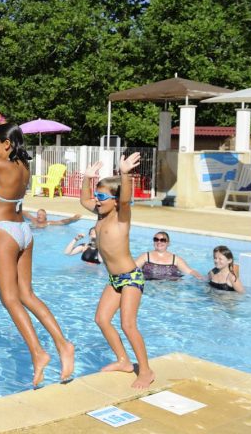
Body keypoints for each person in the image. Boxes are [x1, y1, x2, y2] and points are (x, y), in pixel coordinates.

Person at [0, 88, 74, 388]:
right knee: (27, 295)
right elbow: (15, 134)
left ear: (7, 145)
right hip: (24, 232)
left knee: (9, 299)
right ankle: (63, 344)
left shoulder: (4, 166)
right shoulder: (24, 165)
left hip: (4, 234)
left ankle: (38, 353)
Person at [80, 154, 156, 389]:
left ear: (114, 199)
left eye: (102, 196)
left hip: (131, 277)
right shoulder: (100, 214)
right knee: (101, 319)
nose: (97, 199)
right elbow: (84, 200)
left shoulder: (122, 217)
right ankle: (123, 360)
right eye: (98, 195)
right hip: (114, 279)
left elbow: (125, 200)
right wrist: (87, 178)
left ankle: (145, 370)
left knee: (127, 324)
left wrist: (125, 174)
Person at [133, 231, 204, 281]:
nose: (159, 242)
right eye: (156, 239)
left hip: (169, 288)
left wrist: (199, 277)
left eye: (163, 240)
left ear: (168, 243)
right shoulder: (145, 256)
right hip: (149, 286)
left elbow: (190, 271)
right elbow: (132, 268)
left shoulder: (176, 259)